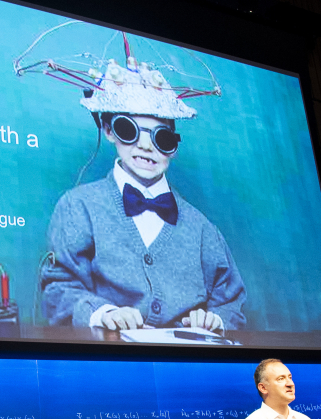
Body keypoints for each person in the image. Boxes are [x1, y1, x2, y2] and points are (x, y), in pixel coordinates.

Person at [40, 55, 246, 333]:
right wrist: (102, 313)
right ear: (108, 130)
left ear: (174, 147)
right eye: (130, 131)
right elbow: (58, 290)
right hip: (110, 364)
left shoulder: (203, 230)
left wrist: (215, 319)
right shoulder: (78, 207)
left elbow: (232, 303)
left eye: (161, 138)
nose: (147, 146)